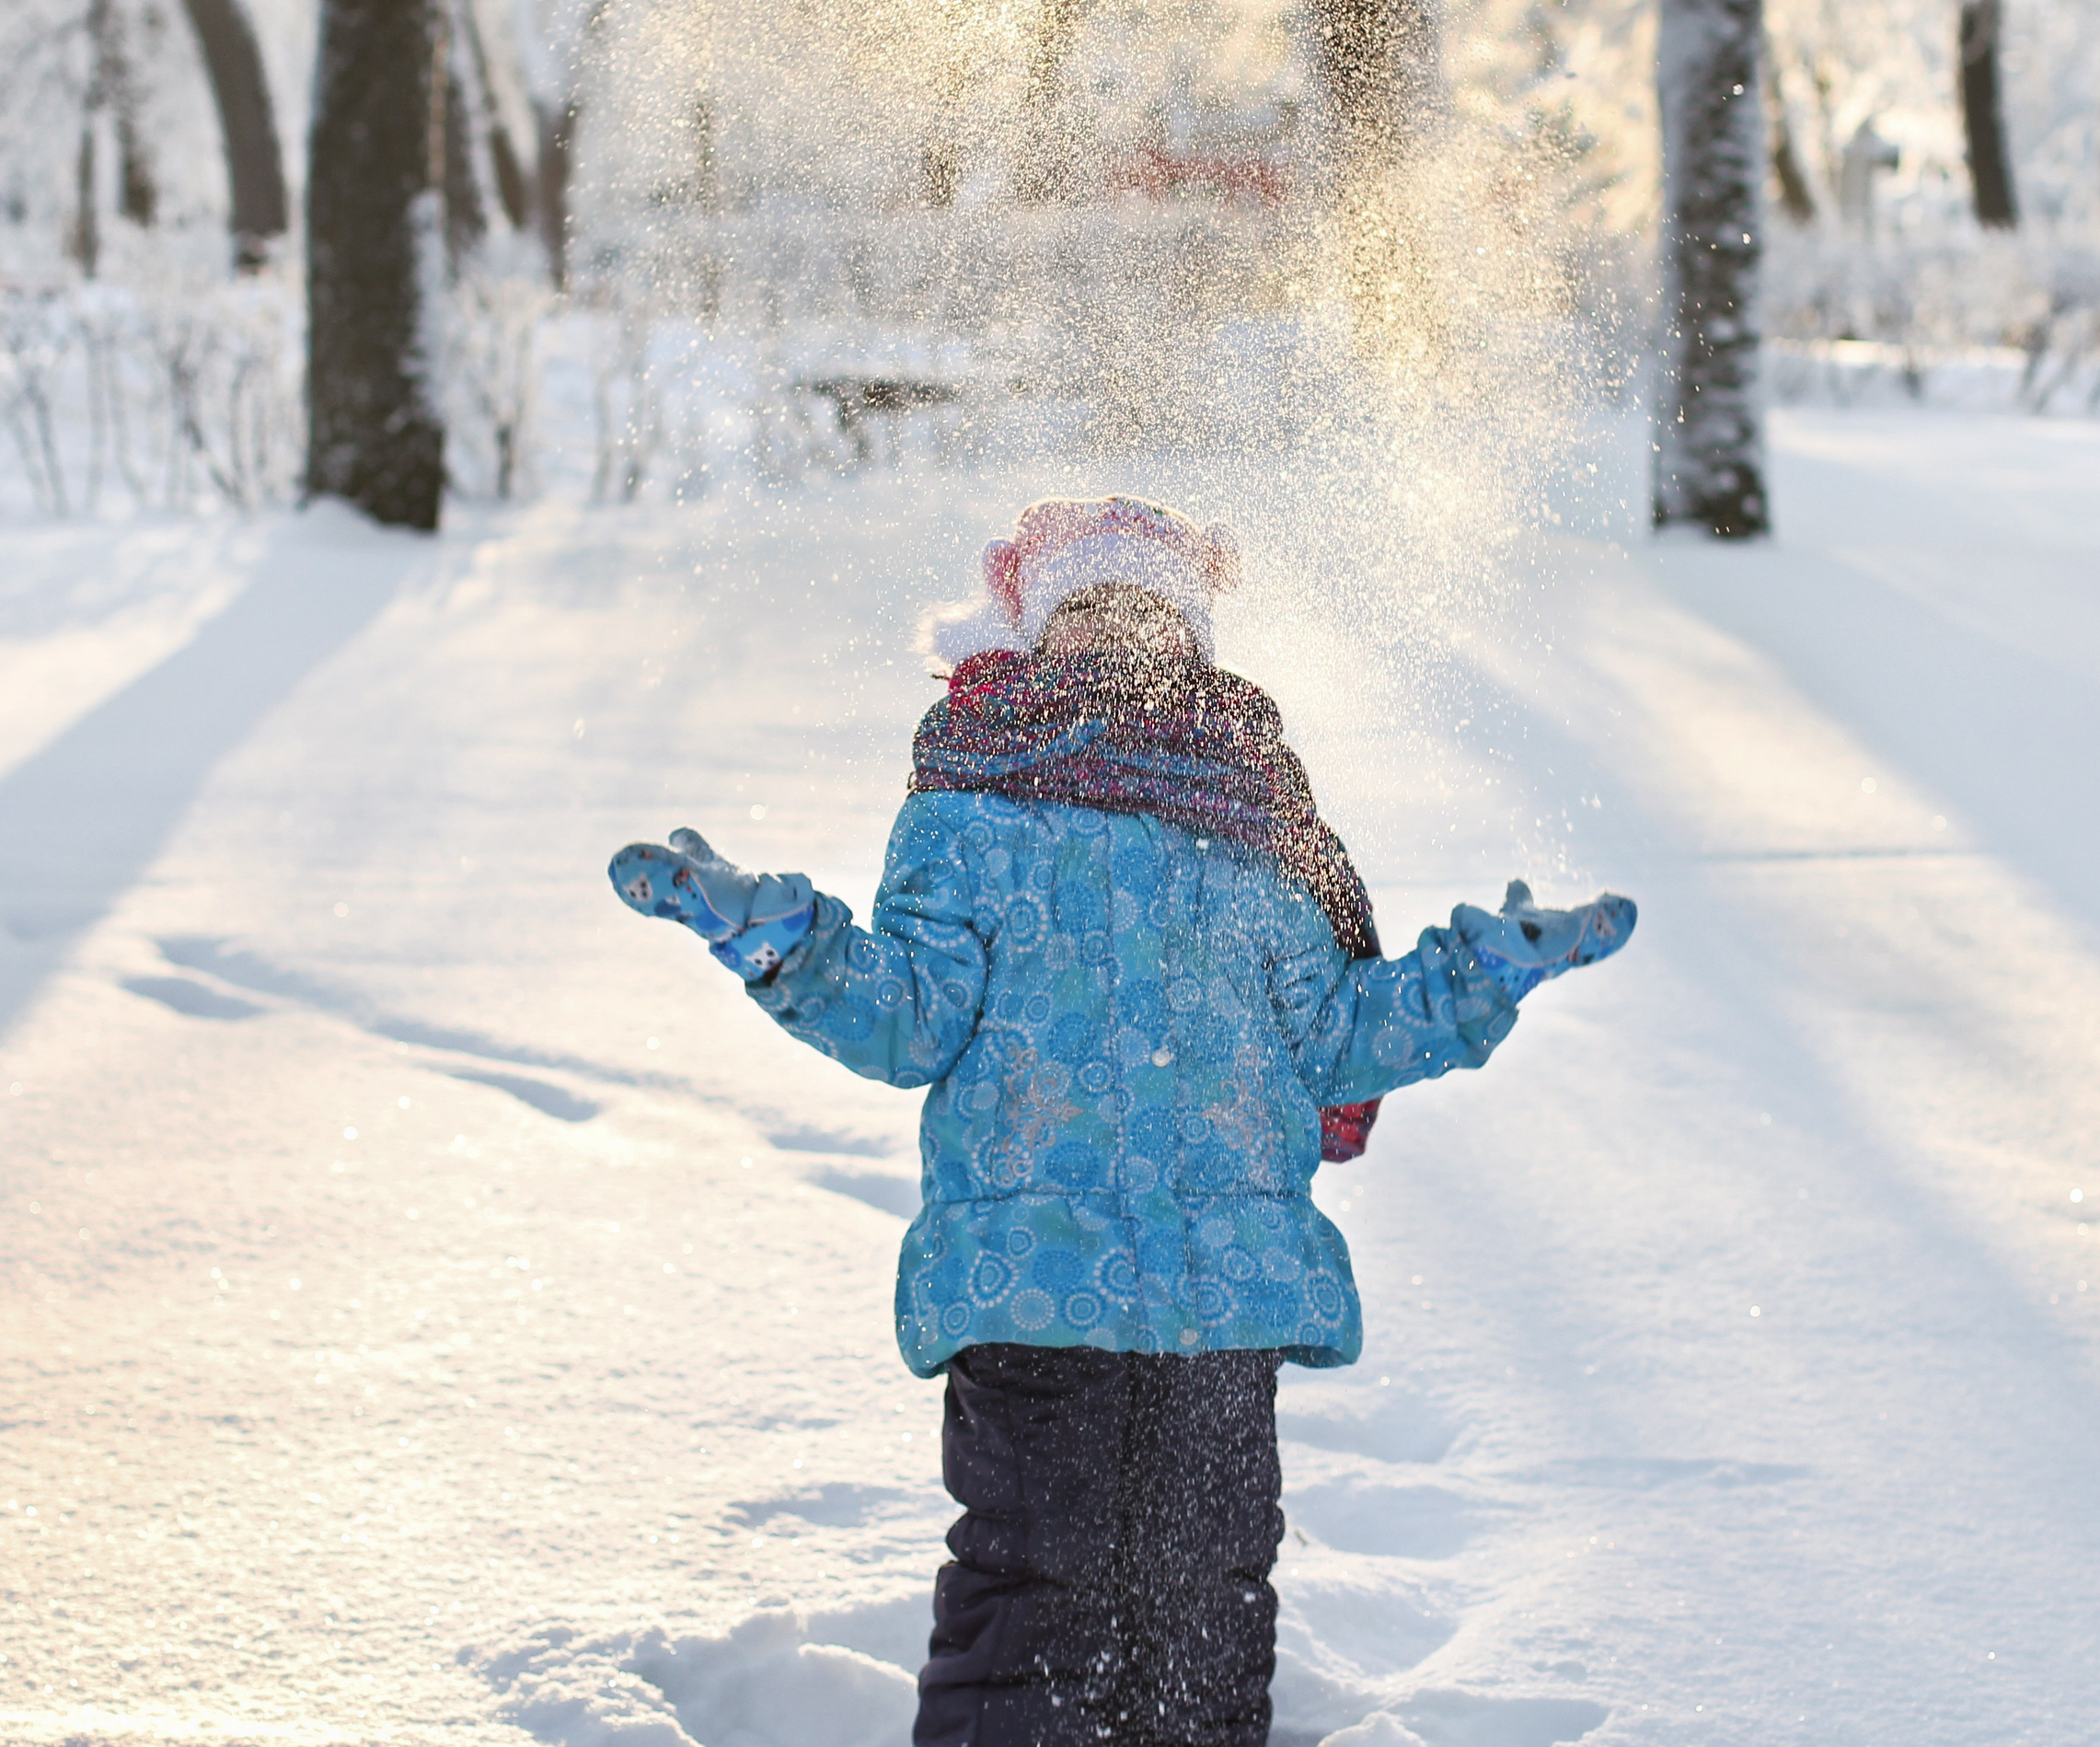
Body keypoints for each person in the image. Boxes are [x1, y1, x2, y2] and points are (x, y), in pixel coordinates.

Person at [608, 494, 1635, 1747]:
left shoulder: (1265, 836)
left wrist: (1478, 979)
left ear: (1193, 645)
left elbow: (1338, 1037)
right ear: (1038, 636)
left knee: (1206, 1611)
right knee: (1029, 1603)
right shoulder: (968, 813)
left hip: (1222, 1309)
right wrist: (787, 941)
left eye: (1148, 616)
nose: (1119, 642)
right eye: (1091, 613)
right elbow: (908, 1016)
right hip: (1036, 1290)